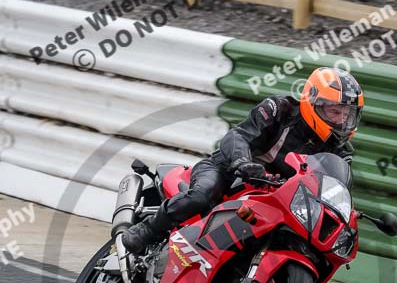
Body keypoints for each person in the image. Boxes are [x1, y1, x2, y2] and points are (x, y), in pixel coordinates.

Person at [123, 68, 364, 254]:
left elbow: (334, 187)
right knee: (201, 195)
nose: (341, 120)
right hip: (229, 171)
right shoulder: (280, 109)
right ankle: (147, 230)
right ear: (313, 101)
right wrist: (242, 162)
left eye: (347, 114)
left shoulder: (341, 151)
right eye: (335, 111)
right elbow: (237, 135)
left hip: (275, 198)